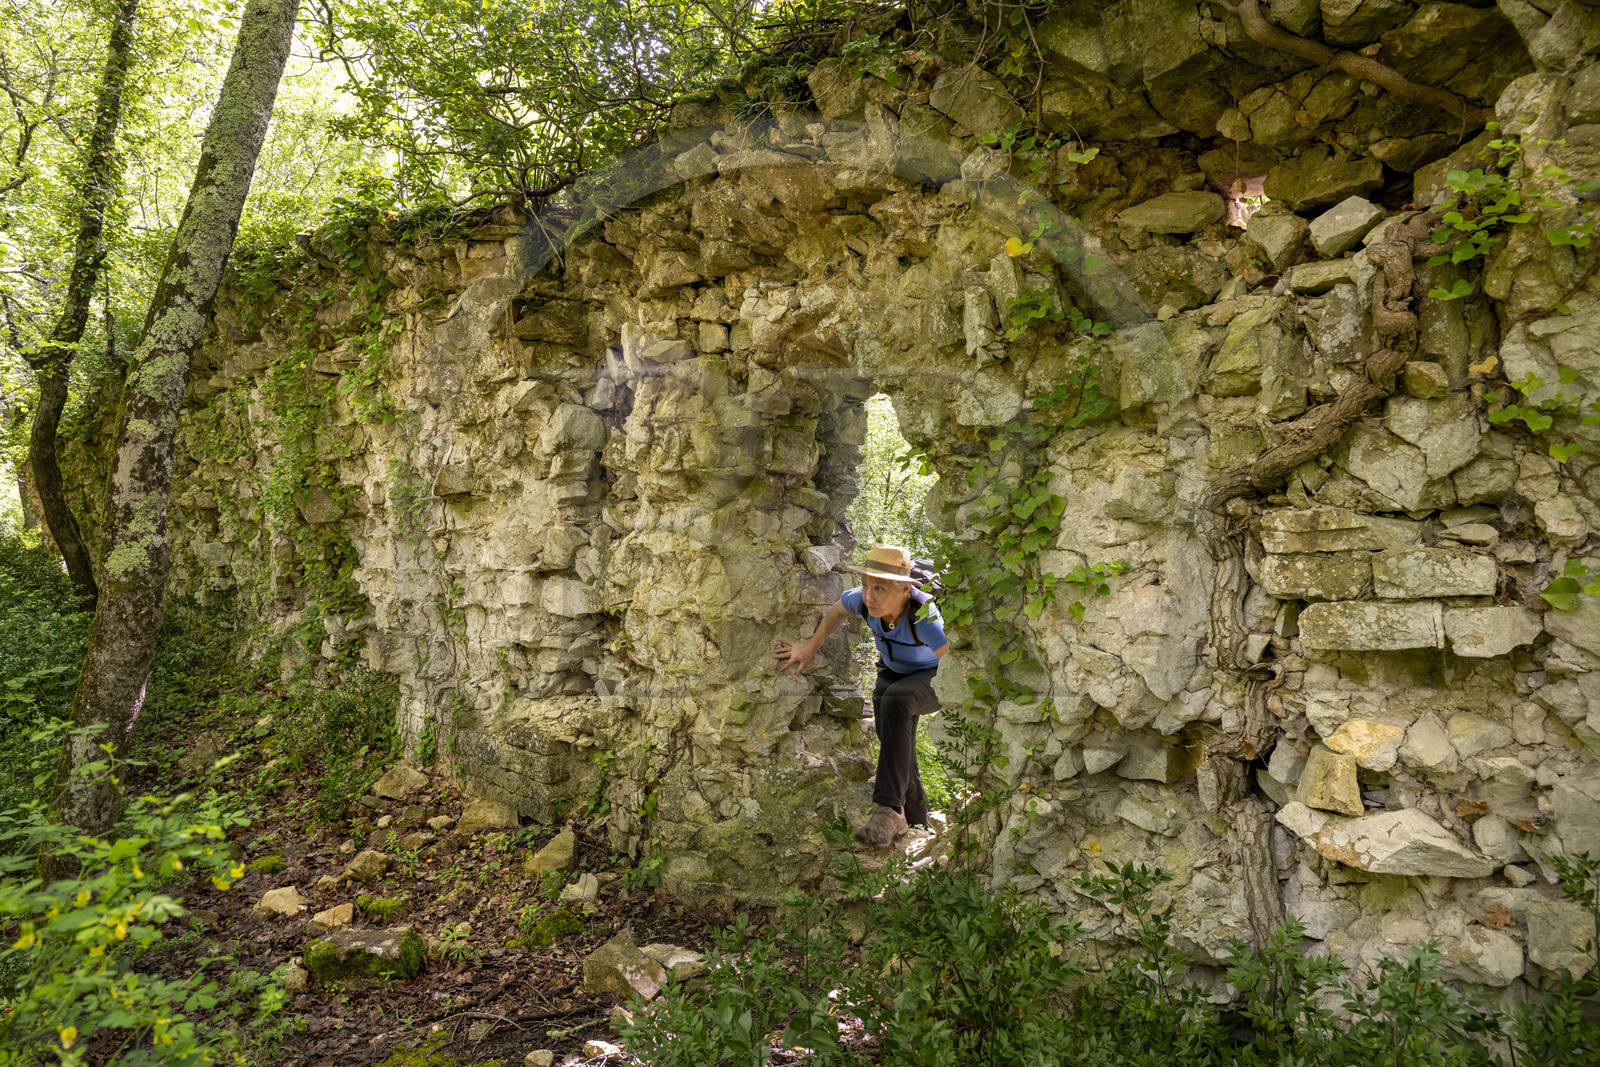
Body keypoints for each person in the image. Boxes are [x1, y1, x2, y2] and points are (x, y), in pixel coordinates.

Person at [775, 544, 950, 849]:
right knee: (894, 735)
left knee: (897, 701)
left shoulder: (925, 617)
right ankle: (914, 819)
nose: (870, 596)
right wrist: (809, 647)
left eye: (880, 588)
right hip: (892, 671)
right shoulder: (862, 601)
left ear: (906, 589)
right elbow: (836, 612)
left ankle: (888, 810)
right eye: (868, 585)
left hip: (934, 676)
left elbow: (952, 663)